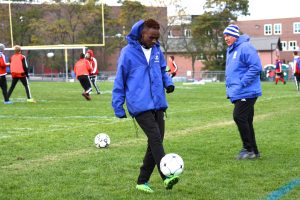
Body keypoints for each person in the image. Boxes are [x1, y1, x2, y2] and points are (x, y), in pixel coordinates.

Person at [112, 19, 177, 193]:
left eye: (157, 38)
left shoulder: (156, 50)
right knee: (155, 138)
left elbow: (162, 71)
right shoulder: (127, 53)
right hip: (139, 105)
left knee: (155, 142)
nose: (154, 41)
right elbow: (120, 81)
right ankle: (167, 176)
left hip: (158, 103)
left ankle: (142, 181)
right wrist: (118, 106)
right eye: (151, 37)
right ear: (142, 33)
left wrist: (168, 83)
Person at [223, 24, 262, 160]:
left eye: (228, 35)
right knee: (246, 119)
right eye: (224, 36)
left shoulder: (245, 47)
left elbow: (256, 67)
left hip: (247, 91)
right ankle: (254, 151)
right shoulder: (231, 50)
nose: (225, 38)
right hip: (239, 91)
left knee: (239, 116)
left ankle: (248, 149)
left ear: (235, 36)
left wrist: (243, 82)